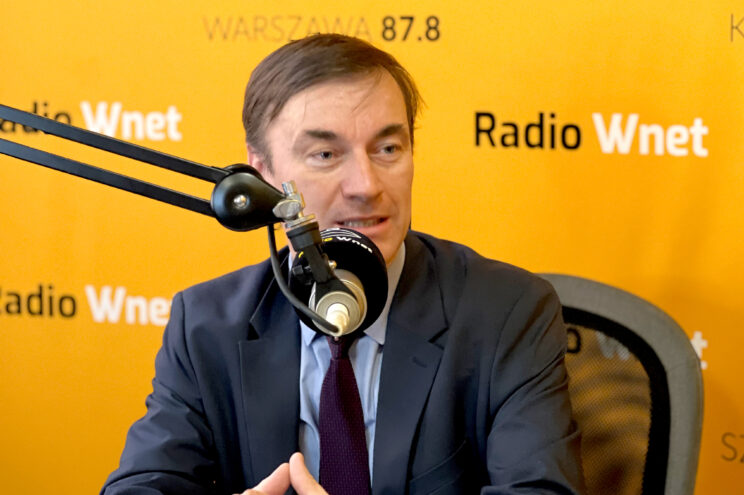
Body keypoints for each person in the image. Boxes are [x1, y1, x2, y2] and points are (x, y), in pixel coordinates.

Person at [102, 34, 584, 495]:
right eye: (326, 154)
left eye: (388, 149)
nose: (366, 185)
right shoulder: (205, 327)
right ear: (261, 172)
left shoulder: (508, 314)